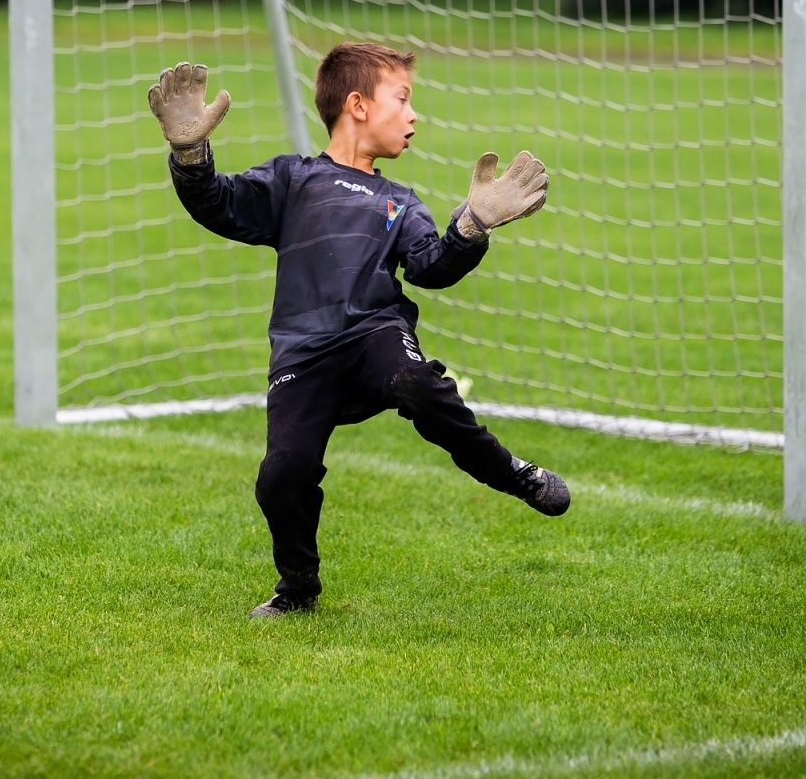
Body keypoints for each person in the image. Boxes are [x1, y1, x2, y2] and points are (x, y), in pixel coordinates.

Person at [148, 43, 568, 619]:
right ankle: (297, 589)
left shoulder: (400, 201)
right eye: (403, 99)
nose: (414, 114)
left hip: (374, 332)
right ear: (358, 105)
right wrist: (190, 152)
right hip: (302, 352)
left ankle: (513, 473)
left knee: (417, 384)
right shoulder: (292, 179)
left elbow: (430, 267)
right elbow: (217, 204)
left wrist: (471, 226)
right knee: (280, 477)